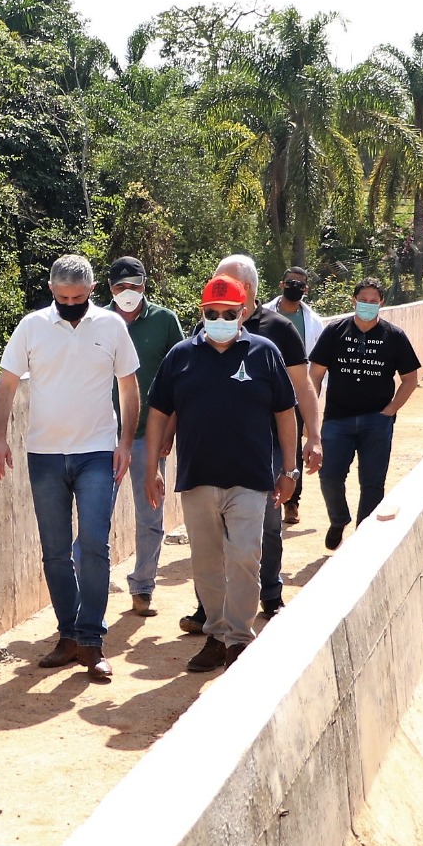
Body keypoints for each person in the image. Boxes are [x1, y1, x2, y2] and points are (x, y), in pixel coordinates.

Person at [0, 254, 140, 681]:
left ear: (91, 290)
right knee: (55, 552)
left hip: (97, 452)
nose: (70, 304)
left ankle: (92, 641)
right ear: (51, 291)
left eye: (77, 297)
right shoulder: (32, 326)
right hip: (45, 455)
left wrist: (125, 443)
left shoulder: (111, 326)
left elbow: (129, 388)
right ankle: (68, 635)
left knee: (94, 545)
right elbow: (6, 385)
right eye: (63, 297)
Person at [144, 275, 299, 671]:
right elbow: (159, 411)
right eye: (211, 313)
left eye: (228, 314)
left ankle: (239, 640)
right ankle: (215, 636)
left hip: (250, 478)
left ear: (243, 313)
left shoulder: (264, 353)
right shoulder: (181, 356)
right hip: (197, 477)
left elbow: (285, 412)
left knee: (245, 555)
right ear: (202, 312)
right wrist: (152, 468)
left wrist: (290, 469)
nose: (219, 320)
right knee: (207, 563)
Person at [179, 254, 322, 631]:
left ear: (246, 289)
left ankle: (270, 594)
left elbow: (302, 385)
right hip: (214, 443)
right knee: (211, 531)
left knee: (268, 521)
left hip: (266, 442)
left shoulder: (278, 329)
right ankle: (209, 607)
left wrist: (313, 436)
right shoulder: (206, 325)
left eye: (224, 282)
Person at [308, 277, 421, 550]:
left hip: (376, 421)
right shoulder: (335, 332)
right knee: (329, 476)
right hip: (337, 419)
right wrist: (311, 415)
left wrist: (389, 411)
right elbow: (315, 374)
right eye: (363, 301)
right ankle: (338, 519)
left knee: (372, 483)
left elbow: (410, 379)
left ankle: (362, 539)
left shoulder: (394, 336)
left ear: (381, 303)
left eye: (373, 301)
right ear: (353, 301)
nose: (367, 305)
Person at [106, 255, 186, 617]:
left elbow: (180, 378)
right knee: (97, 517)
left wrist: (169, 430)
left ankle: (142, 587)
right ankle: (89, 591)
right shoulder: (97, 322)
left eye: (134, 285)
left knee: (151, 515)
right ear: (110, 288)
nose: (128, 292)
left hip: (149, 437)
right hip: (103, 437)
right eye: (120, 286)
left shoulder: (165, 321)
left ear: (144, 285)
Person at [263, 266, 325, 524]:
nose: (294, 288)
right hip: (266, 393)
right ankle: (267, 498)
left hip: (296, 394)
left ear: (306, 289)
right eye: (290, 283)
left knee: (294, 448)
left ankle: (292, 502)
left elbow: (318, 367)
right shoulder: (266, 314)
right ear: (282, 284)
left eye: (300, 285)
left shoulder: (313, 322)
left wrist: (312, 404)